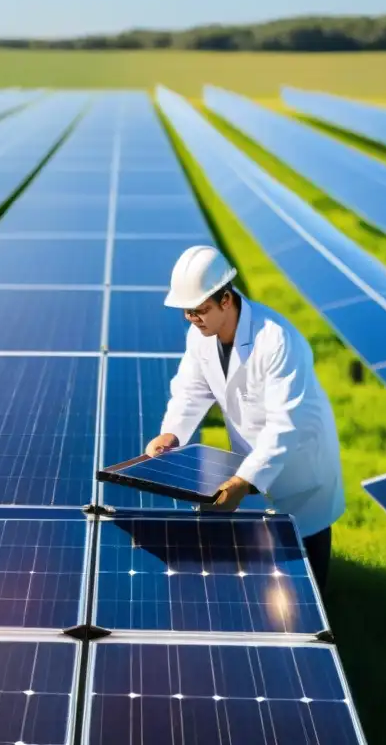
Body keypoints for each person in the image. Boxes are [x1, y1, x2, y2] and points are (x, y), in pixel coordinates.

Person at [146, 244, 344, 589]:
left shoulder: (277, 341)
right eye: (187, 312)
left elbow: (285, 423)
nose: (192, 319)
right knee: (262, 573)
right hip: (252, 457)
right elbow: (191, 390)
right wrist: (172, 434)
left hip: (299, 460)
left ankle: (320, 629)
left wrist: (243, 480)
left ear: (226, 299)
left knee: (307, 570)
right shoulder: (200, 335)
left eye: (199, 310)